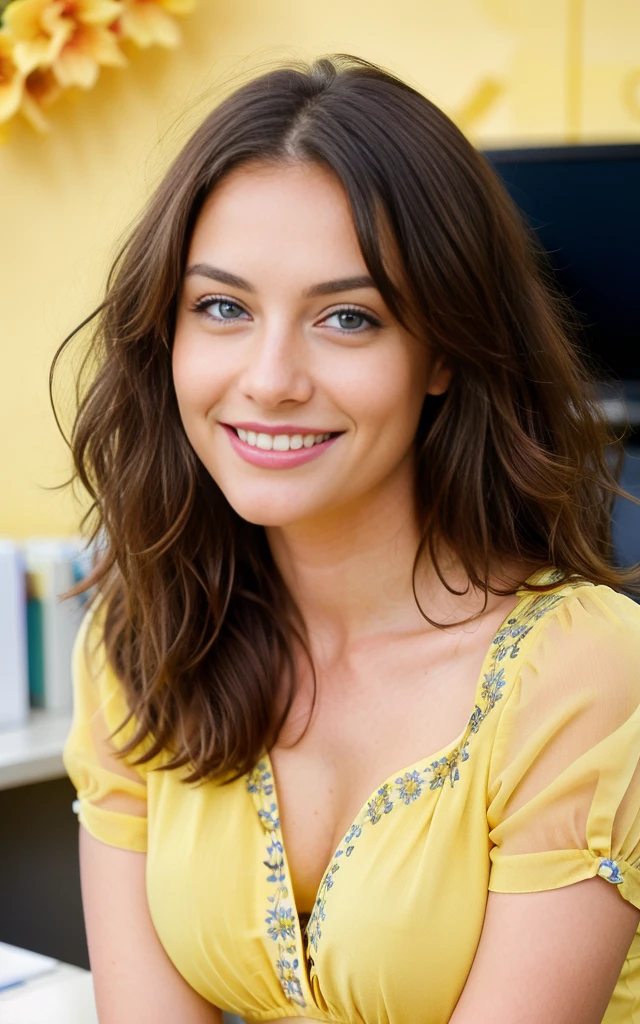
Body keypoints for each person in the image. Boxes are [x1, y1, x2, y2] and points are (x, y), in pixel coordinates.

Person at [53, 55, 640, 1024]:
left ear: (444, 350)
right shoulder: (143, 638)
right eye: (223, 307)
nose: (271, 376)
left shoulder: (584, 670)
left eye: (347, 317)